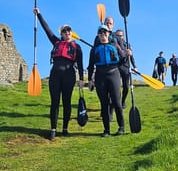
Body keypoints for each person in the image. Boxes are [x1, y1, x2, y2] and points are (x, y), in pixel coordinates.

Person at [34, 8, 84, 139]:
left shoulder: (77, 47)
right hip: (55, 74)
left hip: (69, 74)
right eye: (64, 31)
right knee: (54, 101)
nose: (67, 32)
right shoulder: (56, 42)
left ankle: (65, 128)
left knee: (66, 102)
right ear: (61, 34)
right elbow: (46, 29)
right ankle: (53, 129)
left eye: (69, 30)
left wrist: (82, 79)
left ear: (71, 33)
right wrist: (39, 14)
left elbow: (80, 64)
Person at [87, 25, 125, 137]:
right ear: (98, 35)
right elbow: (90, 66)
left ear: (108, 33)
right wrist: (90, 80)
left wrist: (128, 53)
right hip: (100, 75)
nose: (102, 34)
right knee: (104, 104)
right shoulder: (94, 49)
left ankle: (121, 127)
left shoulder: (115, 46)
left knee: (117, 102)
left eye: (104, 32)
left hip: (114, 74)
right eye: (100, 32)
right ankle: (106, 130)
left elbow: (123, 58)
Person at [114, 29, 136, 107]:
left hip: (126, 67)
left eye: (121, 35)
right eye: (118, 35)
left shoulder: (127, 45)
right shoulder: (114, 44)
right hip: (117, 67)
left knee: (126, 87)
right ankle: (117, 103)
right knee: (117, 87)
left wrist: (135, 67)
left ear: (123, 36)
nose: (119, 37)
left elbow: (132, 56)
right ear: (115, 36)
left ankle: (123, 101)